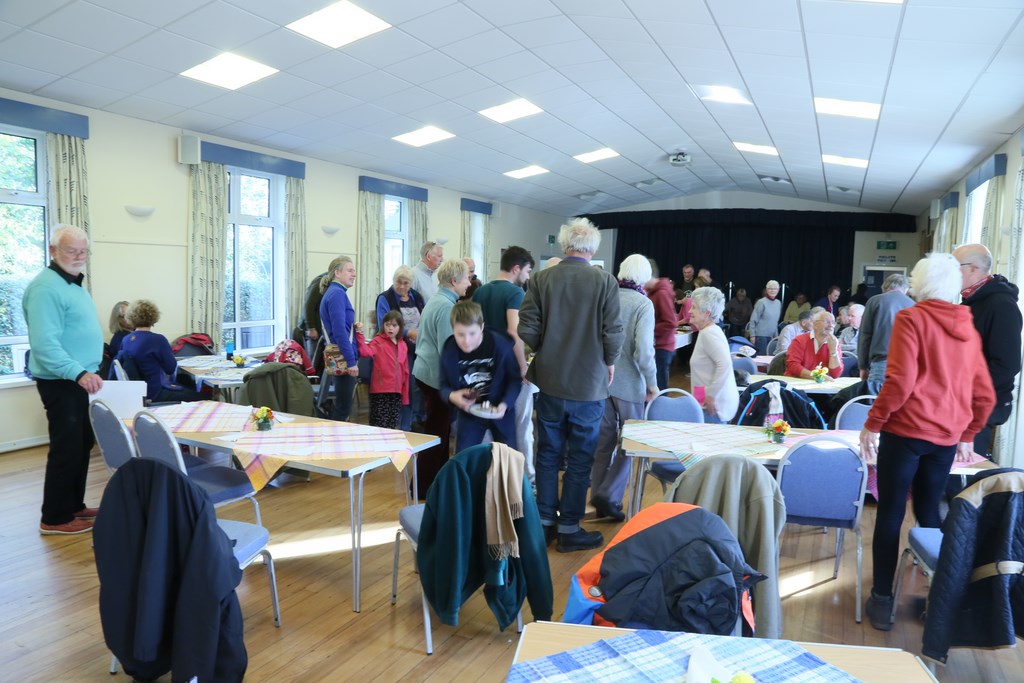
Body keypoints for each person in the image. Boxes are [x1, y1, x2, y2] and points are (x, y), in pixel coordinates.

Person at [860, 253, 995, 631]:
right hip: (945, 439)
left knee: (889, 514)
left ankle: (883, 600)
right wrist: (968, 433)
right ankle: (939, 600)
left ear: (919, 284)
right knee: (930, 514)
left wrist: (872, 423)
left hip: (904, 434)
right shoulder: (967, 325)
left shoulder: (912, 318)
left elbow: (900, 382)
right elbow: (984, 393)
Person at [520, 217, 623, 553]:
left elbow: (528, 329)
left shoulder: (541, 278)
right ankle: (568, 528)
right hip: (589, 385)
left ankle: (545, 523)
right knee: (580, 458)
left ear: (564, 246)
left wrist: (539, 353)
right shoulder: (604, 281)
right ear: (592, 248)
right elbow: (613, 331)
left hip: (549, 380)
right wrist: (609, 362)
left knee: (547, 454)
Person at [23, 224, 104, 535]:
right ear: (53, 251)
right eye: (72, 250)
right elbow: (45, 345)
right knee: (66, 447)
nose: (79, 256)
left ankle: (73, 505)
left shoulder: (71, 284)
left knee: (82, 443)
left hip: (79, 380)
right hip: (64, 381)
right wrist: (79, 372)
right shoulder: (45, 288)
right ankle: (54, 517)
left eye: (83, 251)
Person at [590, 254, 658, 523]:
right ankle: (610, 494)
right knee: (632, 443)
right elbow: (643, 351)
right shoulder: (643, 304)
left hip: (601, 382)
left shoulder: (606, 298)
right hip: (630, 384)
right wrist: (652, 383)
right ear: (642, 277)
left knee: (603, 443)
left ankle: (598, 495)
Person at [953, 243, 1023, 456]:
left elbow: (1007, 364)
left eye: (955, 266)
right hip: (963, 402)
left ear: (973, 268)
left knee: (963, 476)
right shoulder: (971, 301)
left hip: (980, 406)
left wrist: (971, 395)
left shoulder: (1001, 304)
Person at [473, 245, 536, 480]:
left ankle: (489, 477)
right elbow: (514, 331)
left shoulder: (481, 292)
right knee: (522, 427)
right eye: (527, 271)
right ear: (516, 268)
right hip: (507, 370)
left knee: (488, 425)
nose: (528, 277)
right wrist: (523, 367)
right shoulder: (515, 293)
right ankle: (526, 479)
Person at [411, 258, 471, 495]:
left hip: (427, 373)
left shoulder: (439, 300)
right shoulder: (446, 307)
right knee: (437, 434)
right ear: (454, 280)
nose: (468, 282)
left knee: (439, 432)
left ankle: (435, 483)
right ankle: (425, 487)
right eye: (466, 277)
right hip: (435, 378)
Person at [440, 301, 521, 453]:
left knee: (508, 456)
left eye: (472, 333)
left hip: (499, 408)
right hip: (470, 412)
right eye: (460, 334)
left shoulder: (501, 345)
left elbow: (514, 379)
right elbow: (443, 385)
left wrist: (505, 404)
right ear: (453, 330)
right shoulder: (449, 349)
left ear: (482, 327)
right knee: (464, 457)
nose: (466, 341)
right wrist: (452, 395)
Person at [119, 300, 203, 403]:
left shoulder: (126, 339)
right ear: (153, 317)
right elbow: (170, 369)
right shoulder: (158, 340)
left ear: (130, 317)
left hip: (138, 393)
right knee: (202, 396)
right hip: (155, 393)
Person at [375, 265, 426, 431]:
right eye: (399, 282)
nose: (402, 287)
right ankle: (403, 426)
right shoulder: (385, 298)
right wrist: (407, 332)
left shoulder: (416, 297)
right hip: (396, 351)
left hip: (417, 349)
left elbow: (424, 318)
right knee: (406, 388)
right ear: (393, 281)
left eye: (406, 283)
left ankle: (413, 421)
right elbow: (384, 325)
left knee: (416, 388)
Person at [688, 286, 738, 424]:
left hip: (714, 407)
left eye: (694, 308)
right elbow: (701, 374)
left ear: (706, 313)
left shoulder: (709, 333)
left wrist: (710, 396)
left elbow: (725, 364)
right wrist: (700, 400)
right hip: (705, 401)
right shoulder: (705, 332)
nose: (689, 311)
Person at [319, 256, 360, 422]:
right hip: (343, 357)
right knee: (342, 410)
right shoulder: (337, 294)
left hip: (341, 354)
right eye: (350, 270)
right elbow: (339, 332)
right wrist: (350, 361)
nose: (354, 274)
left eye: (354, 271)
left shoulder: (336, 293)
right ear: (337, 273)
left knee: (342, 408)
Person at [353, 311, 409, 431]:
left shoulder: (403, 345)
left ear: (400, 328)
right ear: (383, 325)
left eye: (394, 325)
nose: (390, 328)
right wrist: (359, 335)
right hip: (380, 391)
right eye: (387, 324)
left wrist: (405, 395)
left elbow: (405, 372)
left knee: (392, 424)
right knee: (378, 425)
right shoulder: (378, 341)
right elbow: (365, 352)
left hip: (396, 392)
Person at [645, 259, 677, 391]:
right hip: (659, 345)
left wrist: (647, 330)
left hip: (662, 347)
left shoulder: (661, 293)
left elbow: (670, 322)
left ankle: (660, 410)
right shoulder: (655, 292)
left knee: (659, 387)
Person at [785, 310, 843, 380]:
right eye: (827, 322)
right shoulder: (799, 340)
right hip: (796, 384)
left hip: (822, 387)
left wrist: (833, 351)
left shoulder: (834, 343)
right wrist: (817, 376)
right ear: (815, 325)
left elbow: (835, 374)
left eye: (833, 322)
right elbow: (793, 365)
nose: (831, 325)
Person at [746, 280, 781, 356]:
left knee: (771, 358)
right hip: (760, 336)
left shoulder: (778, 303)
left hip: (772, 336)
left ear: (778, 290)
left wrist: (776, 336)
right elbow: (753, 319)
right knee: (762, 358)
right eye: (770, 288)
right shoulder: (761, 302)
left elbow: (775, 321)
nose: (772, 290)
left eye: (775, 289)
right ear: (766, 289)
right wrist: (752, 335)